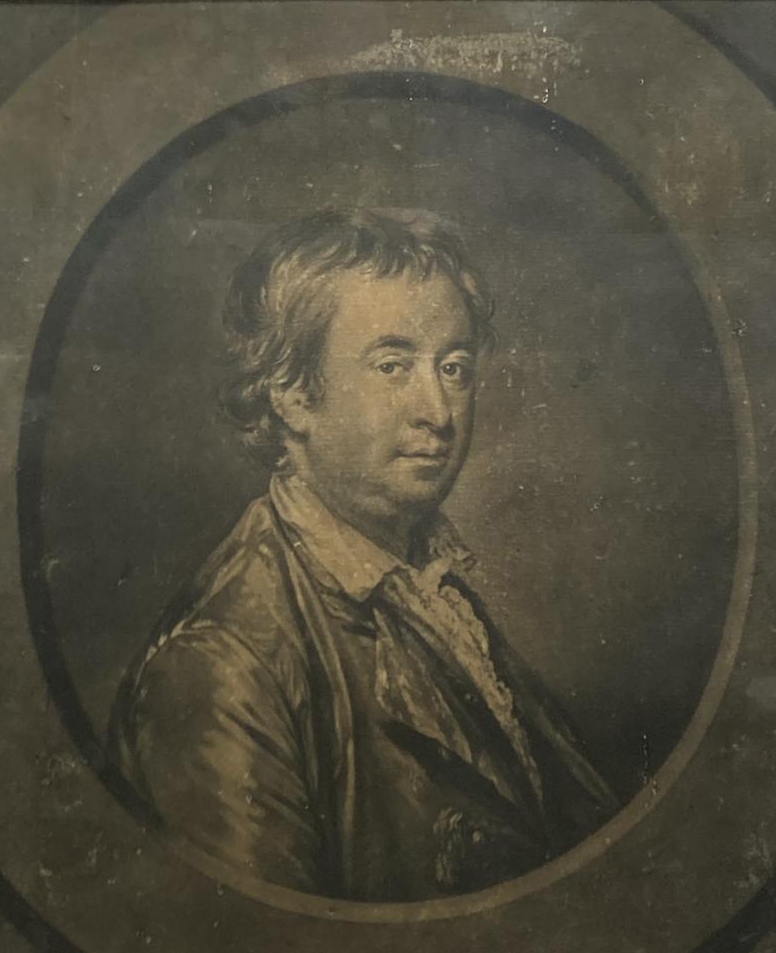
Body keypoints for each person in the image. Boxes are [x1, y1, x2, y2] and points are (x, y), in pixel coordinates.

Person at [109, 208, 618, 901]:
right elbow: (272, 948)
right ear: (292, 393)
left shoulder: (429, 582)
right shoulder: (221, 661)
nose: (438, 411)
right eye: (391, 366)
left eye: (454, 368)